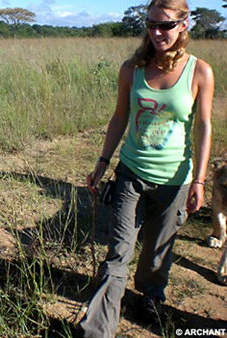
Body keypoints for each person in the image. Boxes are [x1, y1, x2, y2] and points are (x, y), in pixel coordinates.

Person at [79, 0, 213, 337]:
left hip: (174, 181)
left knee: (156, 255)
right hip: (131, 174)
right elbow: (120, 117)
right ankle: (97, 330)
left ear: (184, 25)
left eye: (165, 25)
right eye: (151, 24)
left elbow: (203, 126)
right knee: (118, 253)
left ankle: (151, 297)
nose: (156, 32)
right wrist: (102, 162)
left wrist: (199, 180)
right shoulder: (131, 68)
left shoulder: (200, 72)